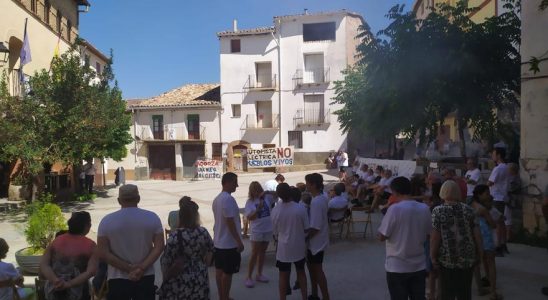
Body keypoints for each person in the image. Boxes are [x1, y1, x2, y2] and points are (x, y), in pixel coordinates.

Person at [97, 184, 164, 300]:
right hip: (145, 275)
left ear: (119, 200)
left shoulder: (106, 221)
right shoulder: (152, 218)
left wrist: (128, 268)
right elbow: (159, 247)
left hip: (117, 277)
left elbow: (103, 252)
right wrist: (141, 268)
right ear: (138, 199)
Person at [378, 177, 432, 300]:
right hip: (418, 264)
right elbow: (429, 233)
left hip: (397, 265)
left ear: (395, 191)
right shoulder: (424, 208)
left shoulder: (394, 209)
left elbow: (382, 236)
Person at [431, 180, 483, 300]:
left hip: (447, 257)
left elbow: (435, 237)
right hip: (467, 256)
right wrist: (480, 253)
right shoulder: (469, 210)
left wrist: (432, 256)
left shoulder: (438, 211)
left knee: (446, 293)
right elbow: (477, 235)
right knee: (464, 292)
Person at [158, 198, 214, 300]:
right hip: (200, 277)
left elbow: (165, 261)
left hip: (180, 280)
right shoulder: (203, 232)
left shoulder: (175, 236)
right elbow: (209, 257)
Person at [41, 211, 97, 300]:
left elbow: (44, 264)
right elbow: (91, 272)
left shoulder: (56, 241)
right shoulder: (91, 245)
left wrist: (55, 280)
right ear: (87, 226)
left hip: (54, 290)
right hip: (79, 292)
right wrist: (68, 284)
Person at [271, 183, 309, 300]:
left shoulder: (276, 210)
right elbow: (306, 228)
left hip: (283, 248)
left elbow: (275, 231)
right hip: (298, 245)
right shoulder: (300, 208)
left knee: (283, 275)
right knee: (301, 273)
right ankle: (304, 297)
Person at [212, 172, 244, 300]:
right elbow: (230, 221)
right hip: (229, 244)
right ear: (228, 182)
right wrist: (239, 241)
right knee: (227, 273)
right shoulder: (228, 199)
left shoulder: (217, 199)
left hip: (219, 242)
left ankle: (222, 296)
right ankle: (225, 297)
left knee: (219, 271)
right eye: (235, 182)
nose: (237, 185)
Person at [470, 185, 501, 299]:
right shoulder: (483, 209)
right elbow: (493, 224)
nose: (488, 196)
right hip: (486, 237)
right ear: (479, 195)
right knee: (491, 264)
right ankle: (493, 291)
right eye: (486, 194)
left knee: (478, 263)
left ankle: (481, 288)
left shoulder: (472, 204)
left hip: (474, 237)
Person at [305, 173, 330, 300]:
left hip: (316, 242)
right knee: (312, 269)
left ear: (313, 185)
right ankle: (314, 294)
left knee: (317, 270)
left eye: (308, 183)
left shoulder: (316, 202)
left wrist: (304, 237)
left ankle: (325, 297)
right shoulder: (322, 197)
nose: (306, 186)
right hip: (320, 240)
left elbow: (315, 227)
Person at [244, 182, 273, 288]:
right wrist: (258, 209)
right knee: (254, 253)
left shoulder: (266, 198)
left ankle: (259, 274)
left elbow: (278, 194)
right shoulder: (250, 202)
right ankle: (248, 277)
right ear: (251, 191)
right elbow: (249, 218)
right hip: (257, 231)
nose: (257, 192)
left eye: (259, 189)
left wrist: (268, 192)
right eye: (255, 190)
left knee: (263, 253)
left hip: (267, 229)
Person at [488, 147, 510, 255]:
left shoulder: (497, 168)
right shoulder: (506, 167)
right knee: (501, 222)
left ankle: (498, 246)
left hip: (496, 197)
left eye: (494, 153)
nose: (492, 156)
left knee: (497, 223)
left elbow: (491, 182)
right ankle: (503, 244)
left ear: (499, 155)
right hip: (502, 197)